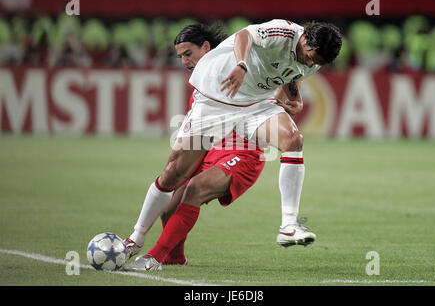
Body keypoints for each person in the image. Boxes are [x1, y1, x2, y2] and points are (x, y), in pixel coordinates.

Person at [127, 19, 342, 271]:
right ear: (304, 38)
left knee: (293, 140)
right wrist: (241, 65)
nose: (310, 63)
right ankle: (136, 239)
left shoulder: (313, 59)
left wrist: (295, 96)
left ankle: (288, 225)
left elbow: (292, 72)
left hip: (255, 105)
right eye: (309, 56)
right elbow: (245, 35)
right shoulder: (283, 32)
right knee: (173, 174)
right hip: (216, 98)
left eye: (316, 62)